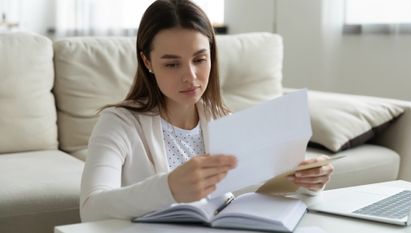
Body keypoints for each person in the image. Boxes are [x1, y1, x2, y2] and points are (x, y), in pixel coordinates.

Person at [80, 0, 334, 222]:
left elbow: (266, 189)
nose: (190, 77)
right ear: (147, 62)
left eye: (200, 59)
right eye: (172, 64)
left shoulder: (221, 118)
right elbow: (91, 208)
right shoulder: (118, 123)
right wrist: (169, 188)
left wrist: (308, 182)